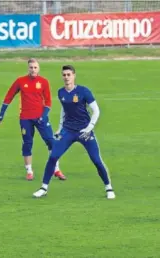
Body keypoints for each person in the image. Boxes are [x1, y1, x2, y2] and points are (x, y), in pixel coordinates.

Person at [32, 65, 114, 199]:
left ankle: (108, 188)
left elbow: (96, 111)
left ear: (74, 75)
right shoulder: (61, 92)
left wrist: (90, 127)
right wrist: (59, 128)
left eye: (69, 75)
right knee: (53, 157)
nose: (66, 77)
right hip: (68, 131)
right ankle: (43, 188)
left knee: (96, 160)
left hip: (84, 131)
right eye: (64, 75)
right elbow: (64, 111)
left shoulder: (84, 91)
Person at [0, 58, 66, 181]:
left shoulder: (44, 82)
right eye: (31, 67)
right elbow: (9, 96)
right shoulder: (20, 81)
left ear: (38, 68)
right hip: (25, 118)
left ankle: (56, 169)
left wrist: (44, 116)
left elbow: (48, 101)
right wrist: (1, 114)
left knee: (51, 142)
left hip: (41, 118)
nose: (33, 69)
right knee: (27, 144)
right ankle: (29, 171)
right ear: (28, 68)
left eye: (35, 67)